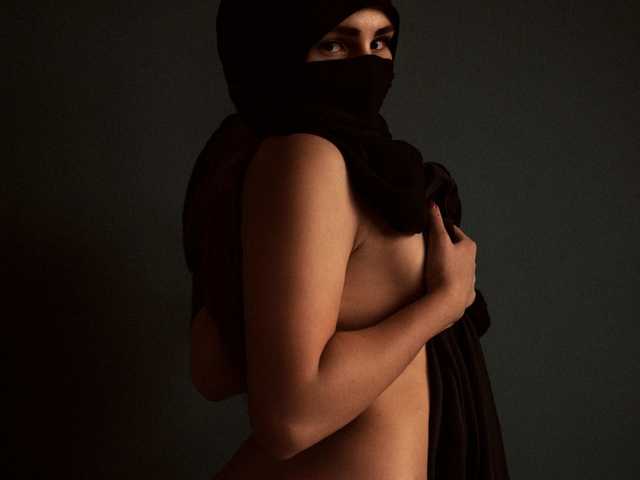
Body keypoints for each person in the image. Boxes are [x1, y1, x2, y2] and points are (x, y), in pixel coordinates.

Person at [183, 1, 510, 478]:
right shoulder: (306, 157)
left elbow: (216, 370)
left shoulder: (359, 166)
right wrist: (443, 304)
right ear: (276, 52)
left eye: (380, 42)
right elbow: (288, 419)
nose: (367, 65)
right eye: (335, 44)